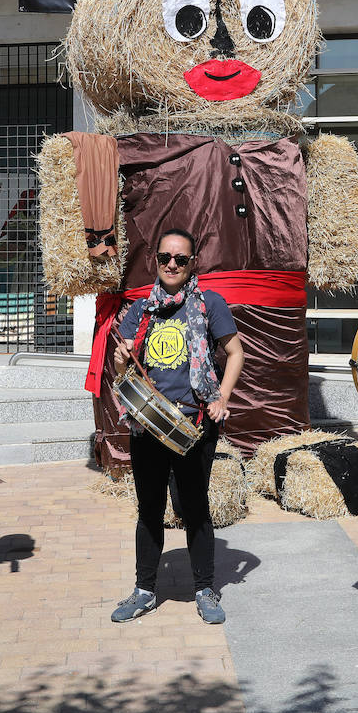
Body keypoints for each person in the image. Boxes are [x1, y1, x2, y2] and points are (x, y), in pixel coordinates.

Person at [110, 228, 244, 625]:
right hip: (149, 426)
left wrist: (223, 397)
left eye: (180, 259)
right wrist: (120, 358)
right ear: (156, 260)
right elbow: (124, 369)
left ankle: (204, 588)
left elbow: (235, 353)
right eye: (165, 258)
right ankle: (144, 590)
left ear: (192, 263)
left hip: (194, 424)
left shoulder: (209, 304)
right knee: (149, 509)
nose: (171, 265)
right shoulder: (141, 309)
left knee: (195, 507)